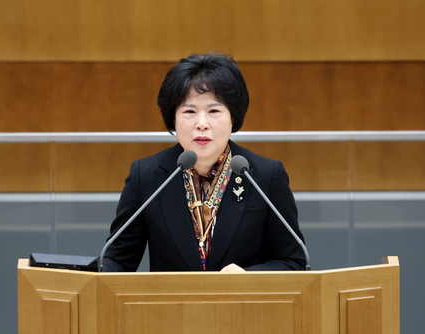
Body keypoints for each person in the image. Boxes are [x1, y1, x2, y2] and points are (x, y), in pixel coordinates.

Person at [102, 52, 305, 272]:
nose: (201, 123)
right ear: (173, 118)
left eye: (214, 111)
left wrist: (248, 277)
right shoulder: (146, 177)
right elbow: (117, 261)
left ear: (233, 117)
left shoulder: (265, 176)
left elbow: (293, 262)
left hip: (242, 295)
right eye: (189, 111)